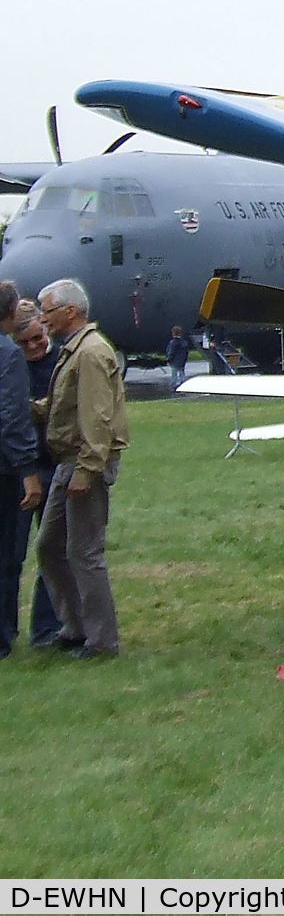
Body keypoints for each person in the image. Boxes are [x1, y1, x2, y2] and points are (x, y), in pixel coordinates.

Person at [36, 279, 128, 659]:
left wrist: (87, 471)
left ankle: (102, 641)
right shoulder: (73, 350)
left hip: (83, 462)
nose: (42, 319)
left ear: (69, 311)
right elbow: (67, 405)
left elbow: (97, 416)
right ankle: (75, 627)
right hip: (69, 460)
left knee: (84, 553)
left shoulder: (90, 353)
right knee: (49, 548)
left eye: (47, 311)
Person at [10, 301, 63, 648]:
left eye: (37, 338)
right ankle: (5, 630)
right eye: (23, 342)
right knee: (11, 555)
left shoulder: (61, 361)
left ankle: (46, 628)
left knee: (54, 552)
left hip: (55, 464)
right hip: (18, 469)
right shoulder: (10, 367)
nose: (33, 347)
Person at [0, 282, 43, 658]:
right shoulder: (8, 355)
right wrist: (27, 469)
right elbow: (13, 417)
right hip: (5, 470)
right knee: (8, 554)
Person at [165, 325, 192, 391]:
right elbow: (186, 352)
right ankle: (184, 385)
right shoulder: (184, 342)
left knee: (174, 375)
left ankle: (173, 387)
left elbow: (171, 352)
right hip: (182, 361)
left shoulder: (173, 343)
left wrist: (168, 359)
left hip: (174, 361)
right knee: (182, 373)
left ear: (173, 333)